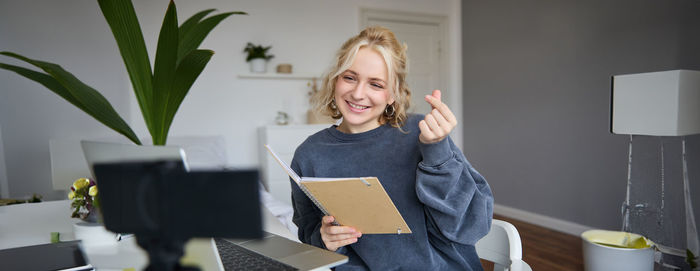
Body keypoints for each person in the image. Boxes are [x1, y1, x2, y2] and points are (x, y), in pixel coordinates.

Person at [290, 26, 493, 270]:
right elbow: (308, 231)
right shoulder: (309, 154)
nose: (358, 93)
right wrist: (324, 238)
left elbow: (472, 225)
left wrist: (437, 152)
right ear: (335, 80)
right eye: (350, 77)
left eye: (375, 84)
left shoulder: (422, 131)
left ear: (393, 94)